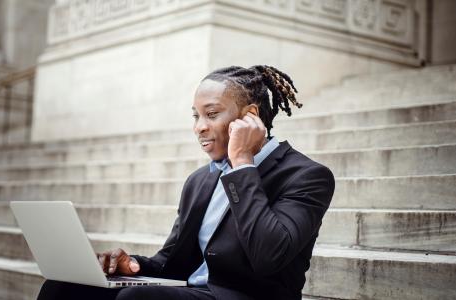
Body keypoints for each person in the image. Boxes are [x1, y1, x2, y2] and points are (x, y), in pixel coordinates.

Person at [37, 65, 335, 300]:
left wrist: (242, 162)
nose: (199, 127)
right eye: (195, 116)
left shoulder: (306, 176)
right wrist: (132, 265)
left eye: (212, 114)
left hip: (247, 296)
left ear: (250, 116)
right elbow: (173, 260)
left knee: (138, 299)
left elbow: (269, 256)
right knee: (63, 287)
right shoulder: (200, 180)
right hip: (192, 293)